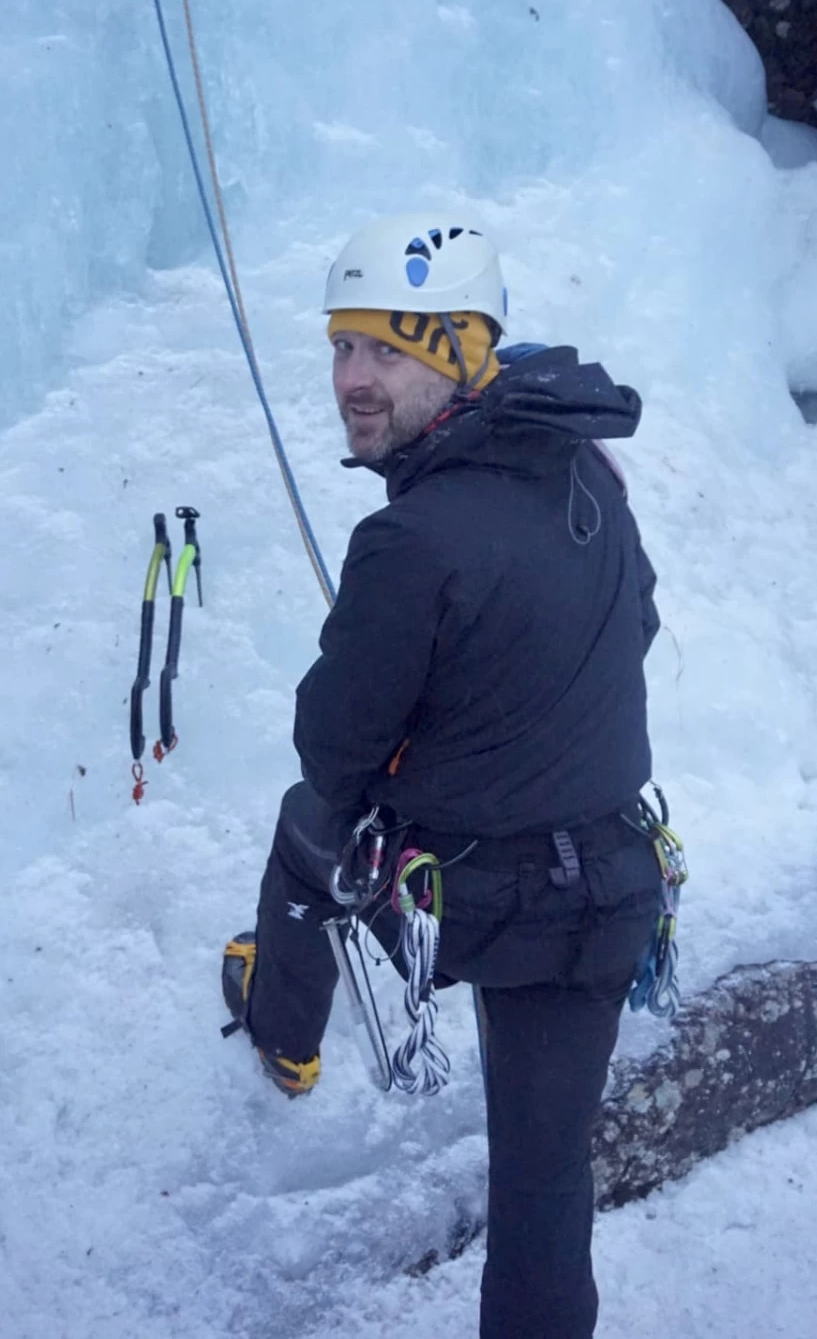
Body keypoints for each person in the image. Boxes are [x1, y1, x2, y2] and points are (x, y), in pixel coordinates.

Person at [222, 215, 663, 1339]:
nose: (351, 379)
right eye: (342, 346)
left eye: (387, 348)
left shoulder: (410, 543)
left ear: (462, 354)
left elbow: (332, 749)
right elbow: (639, 622)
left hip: (470, 903)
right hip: (614, 892)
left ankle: (284, 1033)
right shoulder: (586, 468)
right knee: (543, 1187)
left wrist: (425, 742)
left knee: (305, 825)